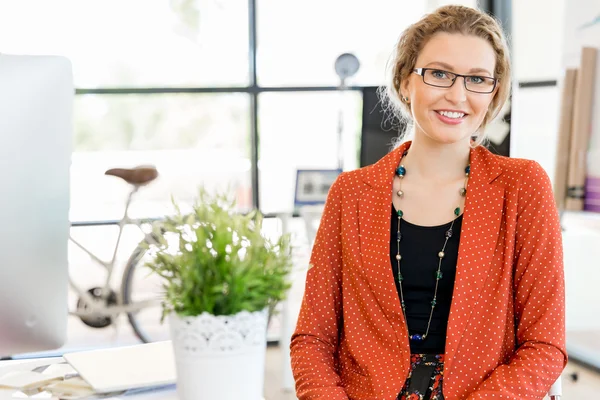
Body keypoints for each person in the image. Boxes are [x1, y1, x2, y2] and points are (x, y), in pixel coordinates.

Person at [290, 4, 567, 400]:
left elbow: (545, 346)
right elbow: (312, 338)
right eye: (439, 74)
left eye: (477, 79)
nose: (457, 95)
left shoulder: (521, 186)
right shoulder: (351, 193)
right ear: (406, 82)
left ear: (493, 94)